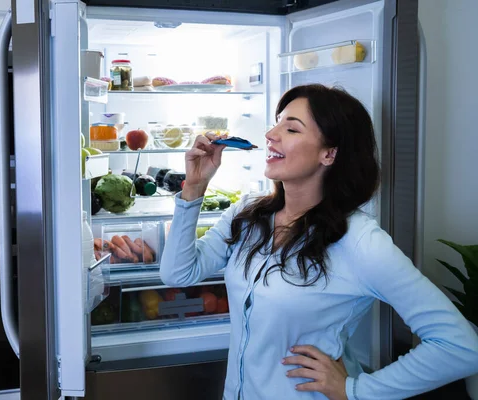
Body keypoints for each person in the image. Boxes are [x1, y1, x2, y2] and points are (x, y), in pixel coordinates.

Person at [160, 84, 478, 400]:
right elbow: (179, 274)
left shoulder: (359, 242)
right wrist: (194, 189)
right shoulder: (248, 214)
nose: (271, 134)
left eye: (292, 128)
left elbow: (461, 346)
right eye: (277, 122)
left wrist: (355, 390)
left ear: (330, 153)